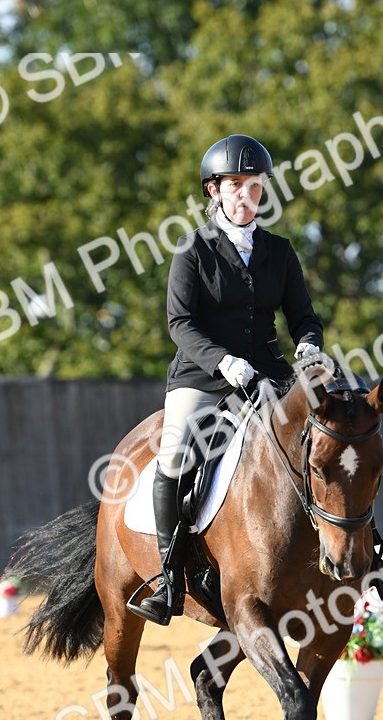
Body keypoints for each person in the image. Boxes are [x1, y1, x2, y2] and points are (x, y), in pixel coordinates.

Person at [128, 133, 324, 626]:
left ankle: (370, 554)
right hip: (203, 376)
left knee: (331, 436)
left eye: (254, 186)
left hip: (270, 372)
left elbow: (303, 314)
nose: (245, 195)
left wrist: (309, 343)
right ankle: (170, 579)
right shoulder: (192, 249)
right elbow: (180, 323)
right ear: (213, 190)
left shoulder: (279, 252)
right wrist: (223, 362)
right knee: (173, 455)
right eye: (234, 185)